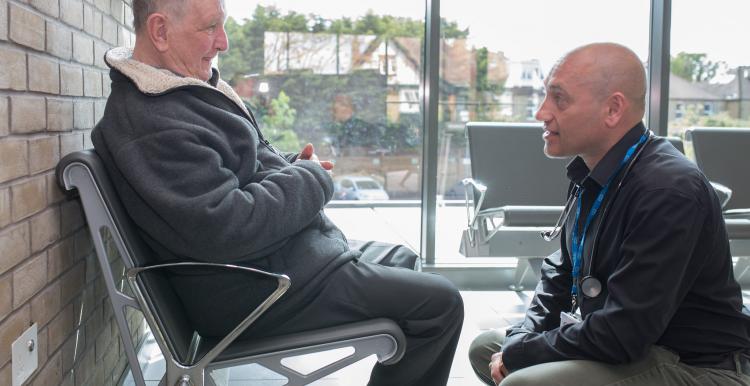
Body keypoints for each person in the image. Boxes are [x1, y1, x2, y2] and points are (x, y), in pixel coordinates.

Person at [91, 0, 463, 384]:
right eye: (210, 27)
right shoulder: (152, 124)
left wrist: (292, 165)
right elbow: (227, 226)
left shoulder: (177, 95)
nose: (224, 42)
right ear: (160, 31)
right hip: (255, 291)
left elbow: (238, 169)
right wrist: (310, 178)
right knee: (439, 304)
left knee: (403, 259)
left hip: (275, 266)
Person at [469, 42, 750, 386]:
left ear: (613, 109)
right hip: (635, 346)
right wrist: (522, 337)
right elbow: (561, 271)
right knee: (487, 349)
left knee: (523, 380)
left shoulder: (667, 191)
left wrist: (522, 353)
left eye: (559, 99)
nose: (542, 112)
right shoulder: (595, 173)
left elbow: (623, 333)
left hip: (697, 364)